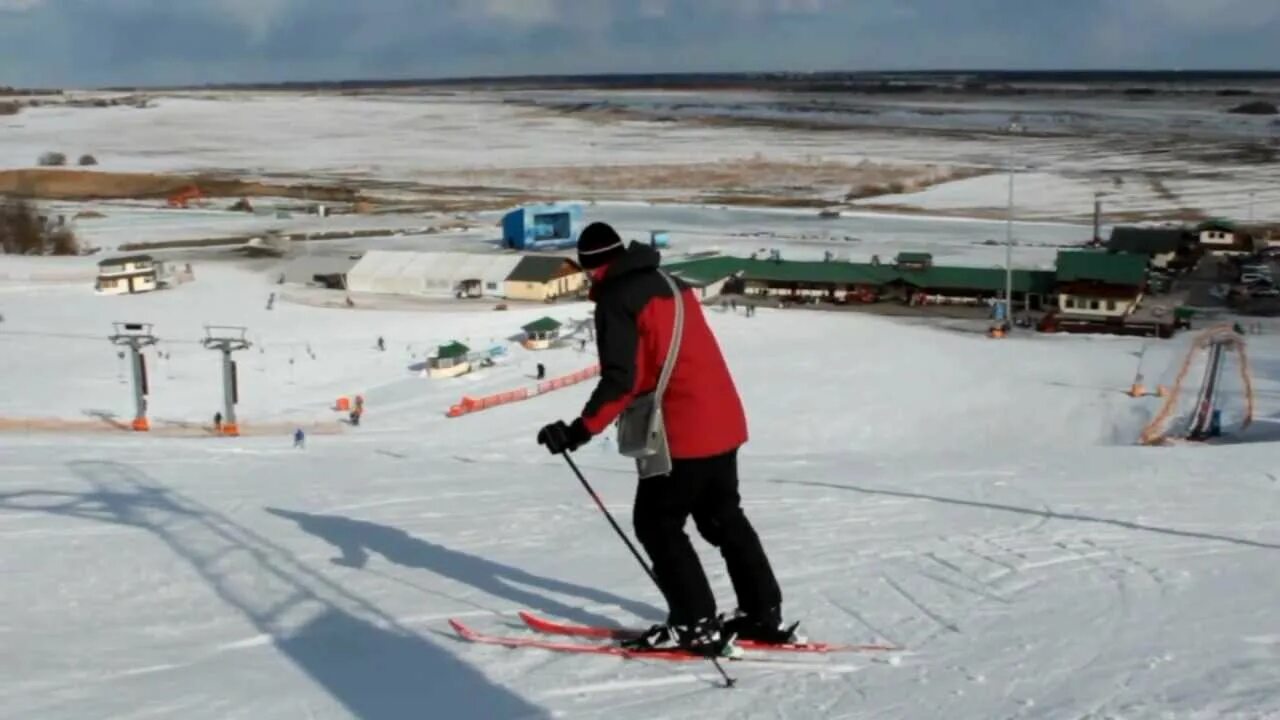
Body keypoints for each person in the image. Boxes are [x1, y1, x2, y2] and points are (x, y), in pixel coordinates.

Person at [536, 221, 788, 656]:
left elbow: (623, 381)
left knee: (657, 522)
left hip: (683, 429)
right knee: (724, 517)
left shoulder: (617, 298)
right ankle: (762, 612)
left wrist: (579, 431)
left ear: (591, 269)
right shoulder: (671, 282)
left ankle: (695, 622)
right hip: (724, 419)